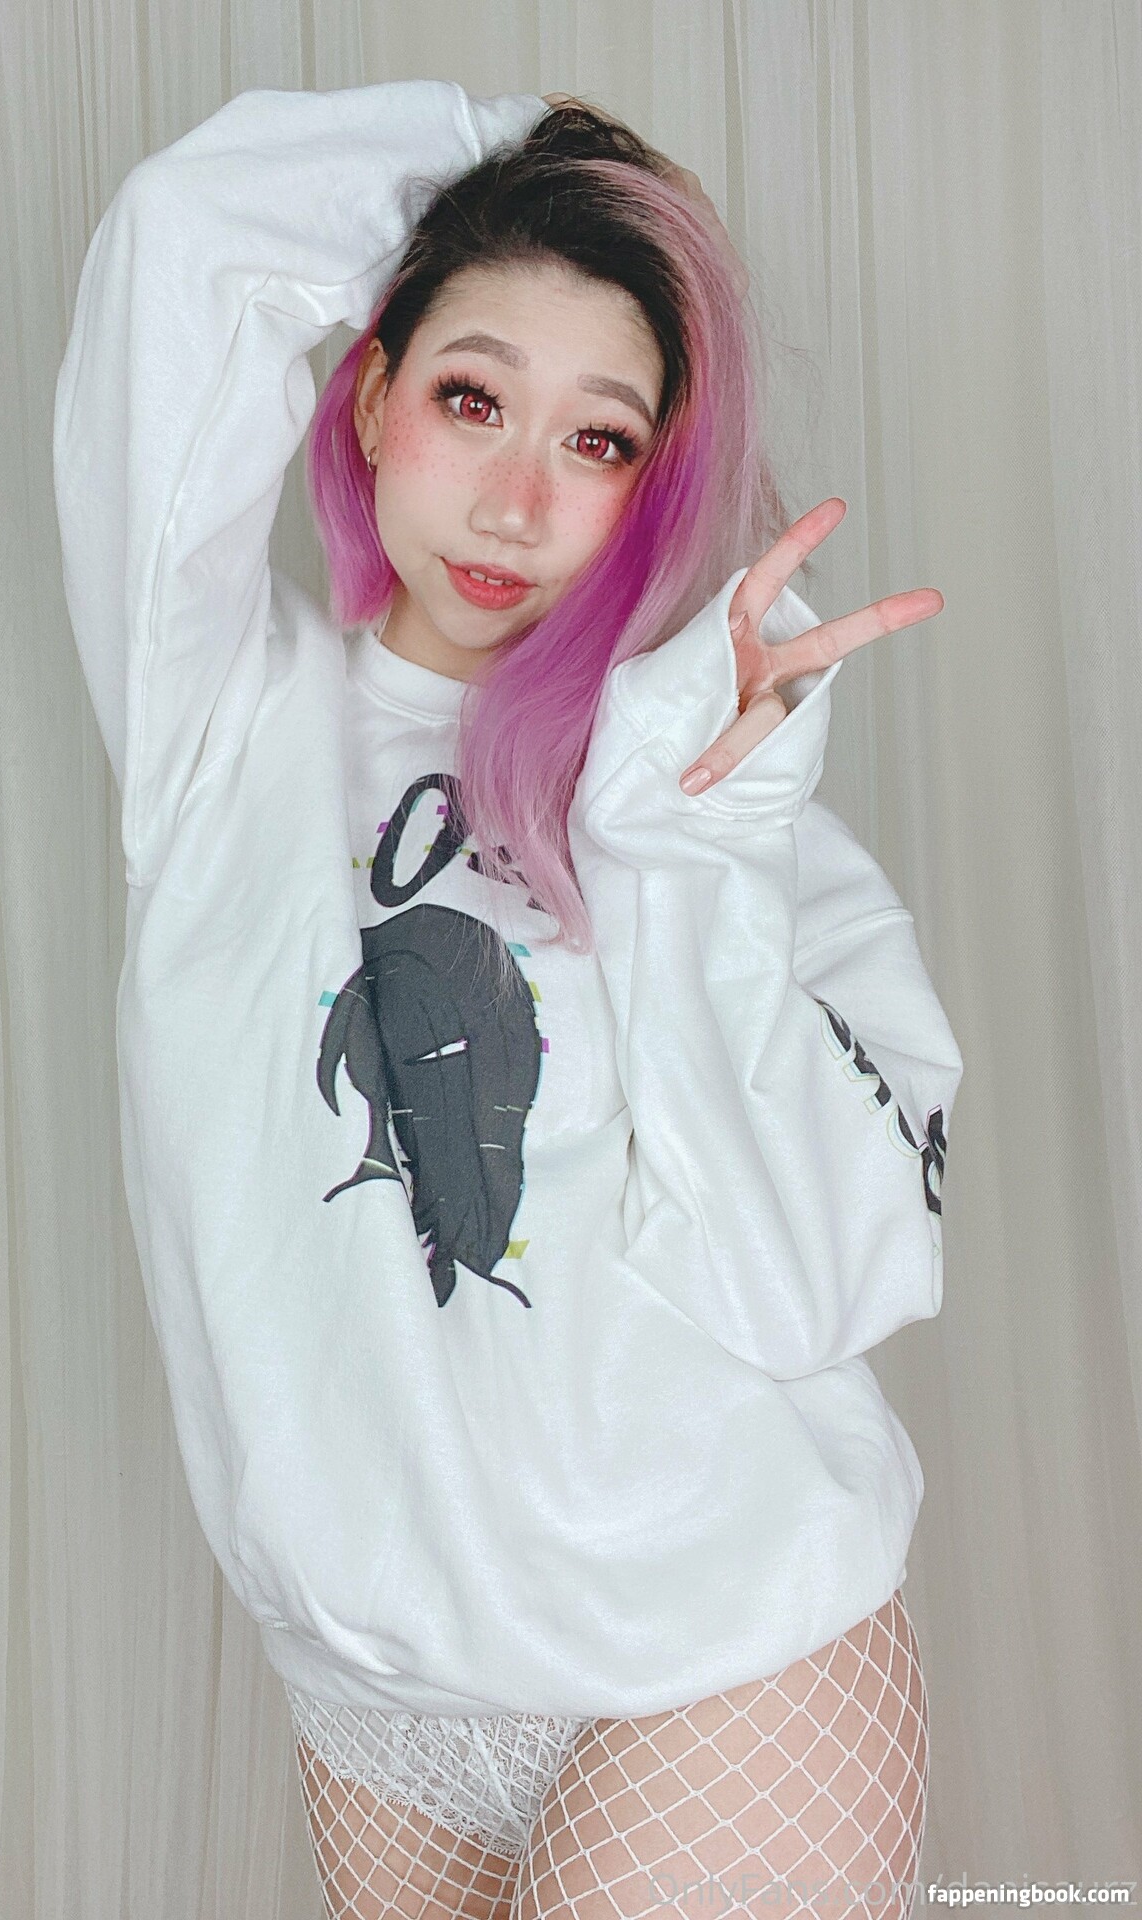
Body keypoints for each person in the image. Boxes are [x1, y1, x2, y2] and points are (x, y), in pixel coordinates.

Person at [53, 76, 963, 1919]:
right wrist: (534, 150)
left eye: (600, 440)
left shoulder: (719, 805)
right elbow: (185, 237)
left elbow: (812, 1284)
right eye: (473, 399)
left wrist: (695, 848)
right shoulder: (221, 729)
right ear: (371, 396)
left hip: (716, 1653)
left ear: (658, 484)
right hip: (372, 1694)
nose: (520, 497)